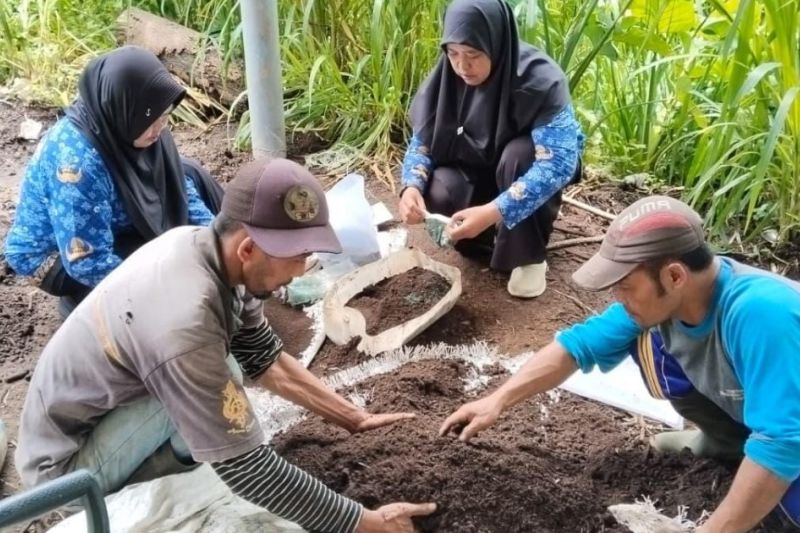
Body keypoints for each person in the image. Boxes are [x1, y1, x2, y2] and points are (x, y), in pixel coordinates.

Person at [15, 158, 435, 532]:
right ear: (249, 248)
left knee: (227, 375)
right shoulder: (184, 322)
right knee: (222, 390)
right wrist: (361, 523)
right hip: (67, 468)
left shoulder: (212, 252)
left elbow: (264, 357)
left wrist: (353, 417)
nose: (302, 268)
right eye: (297, 255)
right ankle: (137, 489)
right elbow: (248, 469)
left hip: (113, 411)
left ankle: (175, 457)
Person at [441, 196, 800, 531]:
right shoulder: (674, 299)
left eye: (626, 286)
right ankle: (726, 442)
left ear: (674, 276)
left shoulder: (761, 312)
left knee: (780, 511)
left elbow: (783, 442)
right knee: (646, 337)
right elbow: (576, 346)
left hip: (792, 433)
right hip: (774, 421)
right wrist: (496, 401)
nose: (619, 298)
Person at [4, 46, 223, 317]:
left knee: (190, 173)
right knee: (163, 268)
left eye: (165, 117)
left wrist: (219, 239)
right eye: (152, 121)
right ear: (123, 110)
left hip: (105, 215)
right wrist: (164, 288)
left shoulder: (138, 119)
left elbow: (178, 188)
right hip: (60, 256)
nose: (160, 129)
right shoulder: (77, 166)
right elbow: (86, 261)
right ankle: (80, 306)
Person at [398, 0, 584, 298]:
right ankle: (483, 235)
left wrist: (494, 210)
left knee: (519, 156)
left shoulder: (541, 81)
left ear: (497, 42)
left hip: (518, 168)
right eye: (453, 53)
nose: (462, 66)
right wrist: (410, 186)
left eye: (473, 54)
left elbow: (559, 163)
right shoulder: (447, 77)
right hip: (475, 165)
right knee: (437, 189)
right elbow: (424, 140)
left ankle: (527, 256)